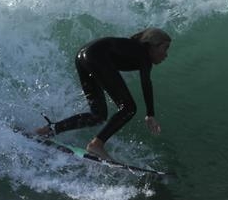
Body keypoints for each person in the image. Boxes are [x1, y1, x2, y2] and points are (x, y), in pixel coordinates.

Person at [34, 28, 171, 161]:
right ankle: (96, 145)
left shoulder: (134, 49)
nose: (166, 55)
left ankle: (48, 130)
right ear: (152, 46)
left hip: (83, 56)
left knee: (98, 115)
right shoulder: (143, 53)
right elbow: (146, 82)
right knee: (128, 108)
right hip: (95, 56)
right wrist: (150, 114)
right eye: (165, 48)